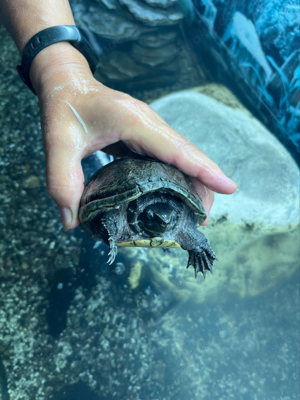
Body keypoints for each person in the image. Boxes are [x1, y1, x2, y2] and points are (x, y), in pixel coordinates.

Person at [0, 0, 237, 231]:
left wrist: (58, 71)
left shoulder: (172, 220)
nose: (163, 224)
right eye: (156, 219)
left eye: (171, 220)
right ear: (143, 214)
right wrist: (60, 74)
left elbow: (188, 228)